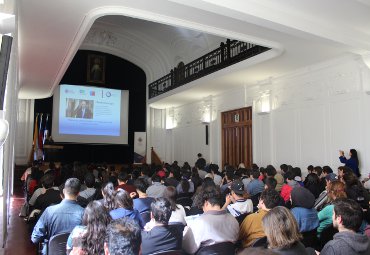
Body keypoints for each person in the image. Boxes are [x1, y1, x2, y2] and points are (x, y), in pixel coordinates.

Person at [31, 178, 84, 254]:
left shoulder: (49, 211)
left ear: (63, 191)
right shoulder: (85, 213)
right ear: (78, 193)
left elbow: (35, 238)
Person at [182, 185, 239, 254]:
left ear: (206, 203)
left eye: (202, 206)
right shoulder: (233, 220)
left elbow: (188, 248)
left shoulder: (198, 223)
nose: (203, 209)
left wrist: (186, 232)